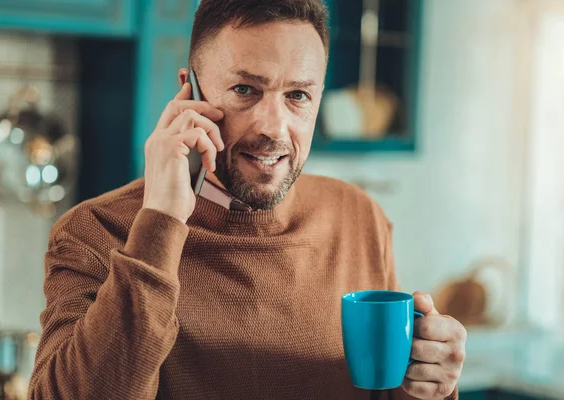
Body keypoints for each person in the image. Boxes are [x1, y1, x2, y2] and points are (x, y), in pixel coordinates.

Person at [28, 1, 466, 399]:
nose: (274, 127)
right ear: (190, 93)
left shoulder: (358, 216)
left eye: (297, 95)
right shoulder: (94, 231)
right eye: (245, 90)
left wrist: (429, 386)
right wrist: (160, 219)